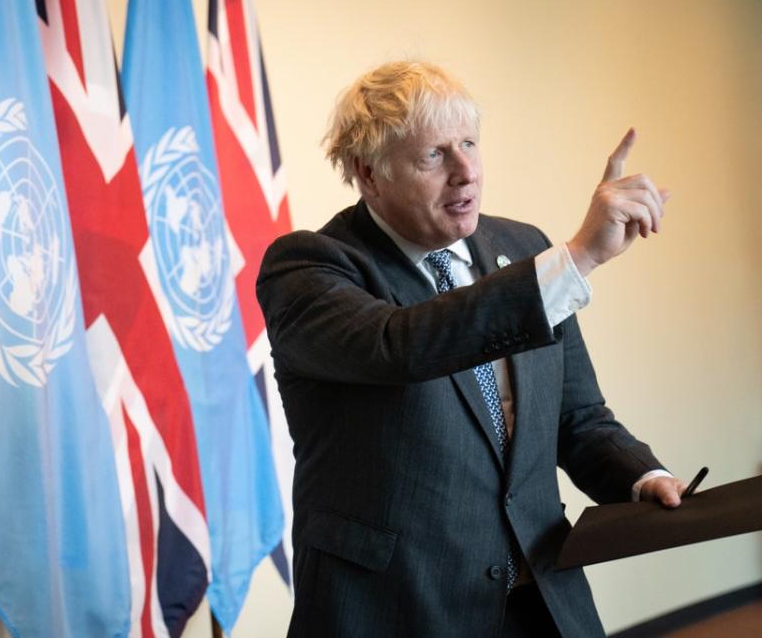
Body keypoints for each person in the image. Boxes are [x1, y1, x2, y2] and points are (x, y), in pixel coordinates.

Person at [256, 61, 688, 637]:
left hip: (542, 600)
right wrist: (580, 255)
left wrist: (642, 478)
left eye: (468, 144)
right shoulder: (309, 268)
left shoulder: (522, 248)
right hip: (396, 608)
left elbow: (575, 417)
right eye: (434, 155)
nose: (466, 173)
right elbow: (402, 346)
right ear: (368, 174)